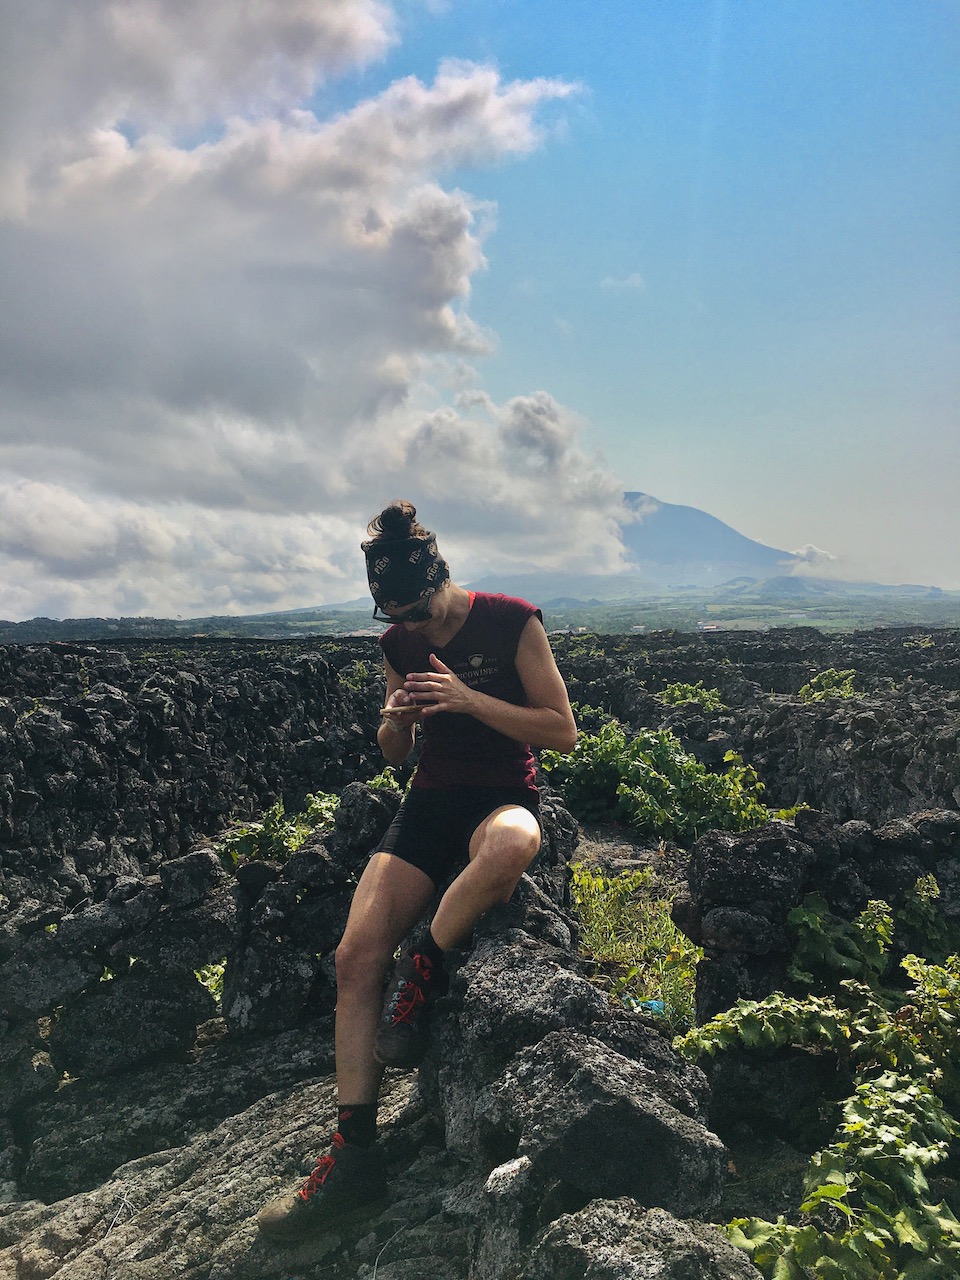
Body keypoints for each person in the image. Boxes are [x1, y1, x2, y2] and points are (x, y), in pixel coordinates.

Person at [258, 500, 577, 1241]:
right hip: (429, 804)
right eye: (400, 616)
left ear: (443, 576)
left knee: (509, 849)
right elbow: (394, 754)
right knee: (353, 957)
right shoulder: (398, 642)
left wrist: (468, 698)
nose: (418, 627)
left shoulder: (512, 619)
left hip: (504, 797)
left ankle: (425, 964)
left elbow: (561, 731)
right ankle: (353, 1156)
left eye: (423, 611)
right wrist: (397, 720)